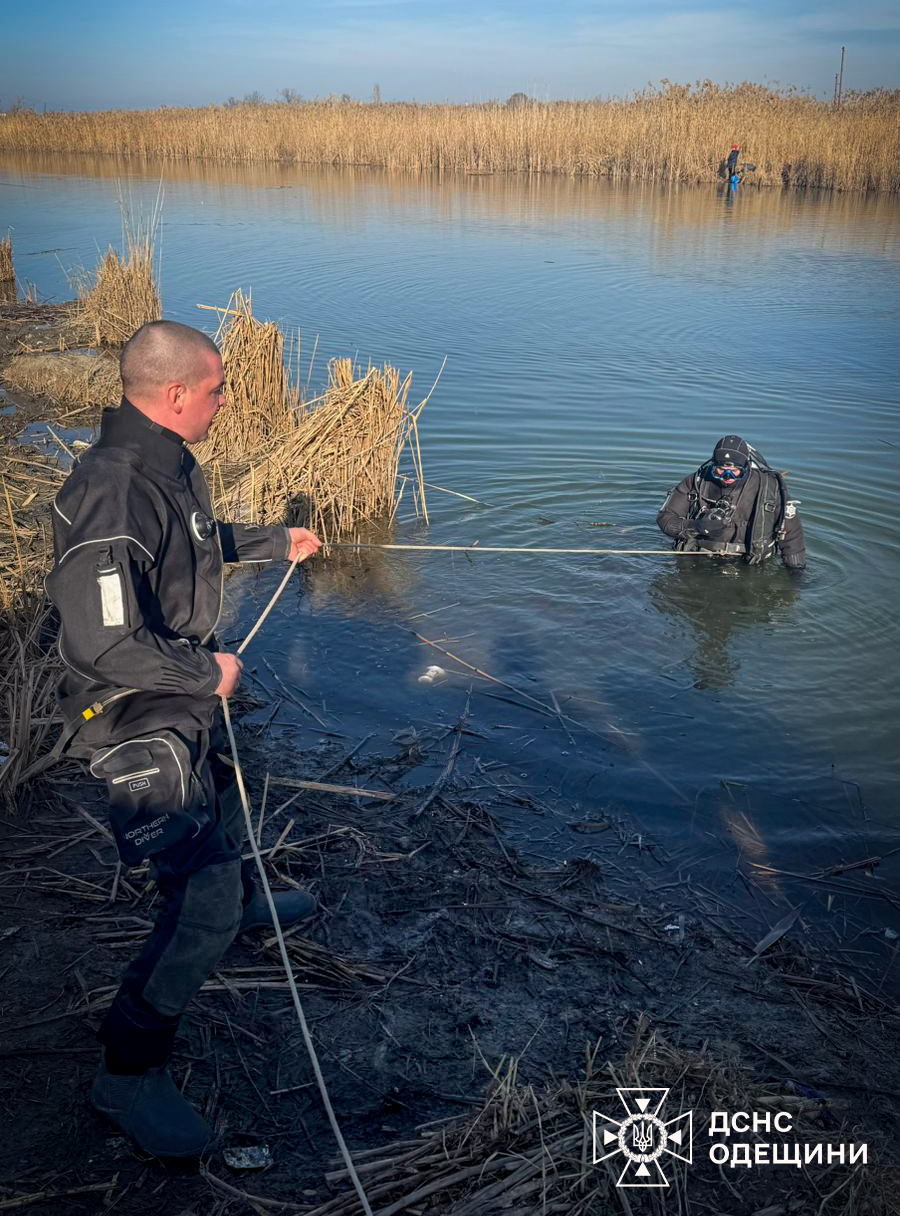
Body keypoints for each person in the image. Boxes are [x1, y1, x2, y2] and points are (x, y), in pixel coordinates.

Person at [46, 320, 323, 1159]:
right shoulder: (113, 485)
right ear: (175, 396)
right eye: (218, 388)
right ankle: (126, 1076)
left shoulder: (162, 462)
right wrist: (208, 677)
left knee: (224, 785)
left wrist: (276, 542)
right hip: (127, 713)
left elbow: (188, 549)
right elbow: (101, 642)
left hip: (172, 695)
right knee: (193, 893)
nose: (228, 398)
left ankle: (238, 908)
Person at [656, 435, 806, 570]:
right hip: (698, 560)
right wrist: (696, 527)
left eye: (735, 470)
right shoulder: (696, 482)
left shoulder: (769, 488)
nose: (727, 476)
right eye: (721, 470)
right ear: (713, 466)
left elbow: (791, 533)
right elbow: (665, 519)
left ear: (746, 466)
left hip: (750, 565)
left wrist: (796, 570)